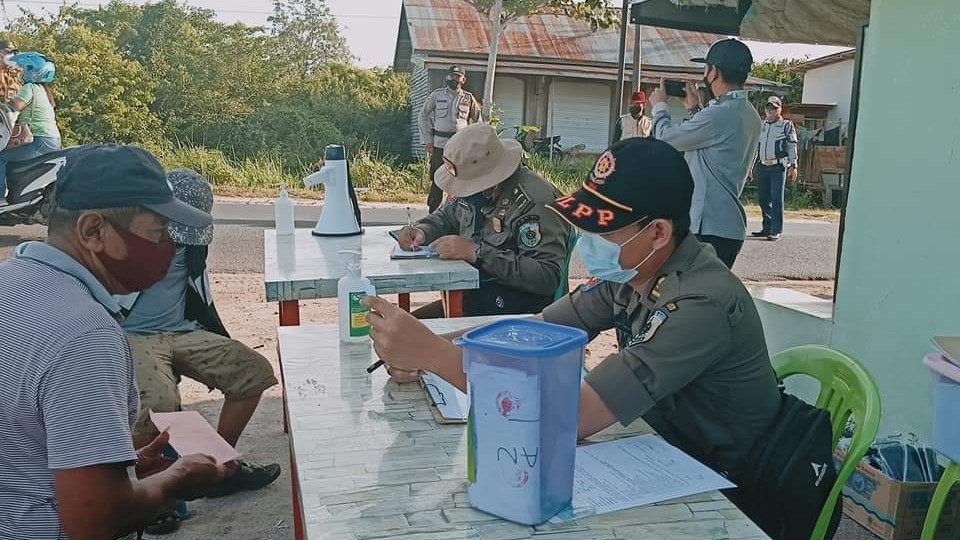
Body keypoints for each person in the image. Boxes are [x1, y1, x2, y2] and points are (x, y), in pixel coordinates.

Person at [366, 136, 779, 469]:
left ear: (657, 233)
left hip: (726, 482)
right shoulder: (633, 270)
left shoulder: (700, 304)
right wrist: (432, 346)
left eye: (603, 230)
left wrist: (436, 356)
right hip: (659, 446)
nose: (590, 242)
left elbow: (569, 418)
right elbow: (535, 328)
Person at [0, 145, 225, 540]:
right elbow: (95, 519)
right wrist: (177, 478)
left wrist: (120, 467)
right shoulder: (85, 336)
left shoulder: (12, 283)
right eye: (157, 232)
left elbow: (26, 451)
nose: (169, 247)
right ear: (93, 231)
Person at [119, 169, 281, 530]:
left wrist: (219, 335)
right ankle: (155, 497)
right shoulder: (125, 240)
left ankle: (218, 468)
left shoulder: (193, 245)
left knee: (252, 370)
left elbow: (200, 295)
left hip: (181, 330)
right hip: (132, 335)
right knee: (156, 400)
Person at [396, 123, 570, 318]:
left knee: (411, 334)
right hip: (473, 298)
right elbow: (446, 216)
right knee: (401, 327)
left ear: (492, 181)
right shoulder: (476, 191)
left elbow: (546, 276)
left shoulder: (535, 201)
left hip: (516, 314)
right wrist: (422, 230)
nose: (464, 192)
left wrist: (476, 253)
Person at [648, 38, 761, 268]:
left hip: (708, 226)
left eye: (706, 68)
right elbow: (711, 141)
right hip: (726, 225)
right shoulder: (748, 113)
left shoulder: (720, 114)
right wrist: (694, 109)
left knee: (688, 288)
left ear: (714, 72)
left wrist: (660, 106)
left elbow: (665, 139)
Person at [418, 65, 482, 213]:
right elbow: (423, 115)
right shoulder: (437, 95)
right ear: (447, 77)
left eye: (458, 76)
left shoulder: (468, 98)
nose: (454, 79)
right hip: (440, 144)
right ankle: (433, 213)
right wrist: (427, 139)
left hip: (460, 146)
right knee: (437, 178)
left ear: (463, 80)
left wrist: (475, 143)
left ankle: (457, 213)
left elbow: (478, 121)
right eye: (452, 76)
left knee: (460, 179)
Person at [0, 51, 62, 195]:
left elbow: (13, 107)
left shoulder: (29, 88)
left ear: (32, 72)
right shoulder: (44, 91)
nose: (18, 73)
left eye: (21, 69)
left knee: (1, 157)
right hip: (50, 140)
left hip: (40, 140)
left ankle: (0, 196)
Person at [753, 95, 798, 241]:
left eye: (774, 108)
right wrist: (750, 168)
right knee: (763, 198)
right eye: (768, 108)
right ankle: (767, 227)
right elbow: (755, 147)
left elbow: (791, 145)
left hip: (778, 166)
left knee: (776, 198)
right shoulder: (762, 125)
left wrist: (793, 165)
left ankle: (776, 229)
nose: (771, 111)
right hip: (763, 165)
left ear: (780, 109)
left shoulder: (786, 125)